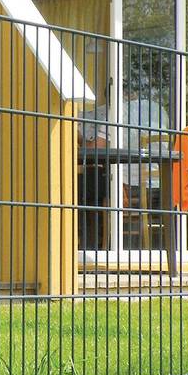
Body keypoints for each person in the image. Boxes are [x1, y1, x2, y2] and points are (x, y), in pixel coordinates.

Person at [76, 80, 170, 250]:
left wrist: (78, 137)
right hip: (160, 184)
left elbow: (94, 148)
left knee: (77, 186)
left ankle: (90, 247)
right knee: (97, 182)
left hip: (130, 184)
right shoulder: (158, 111)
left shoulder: (119, 113)